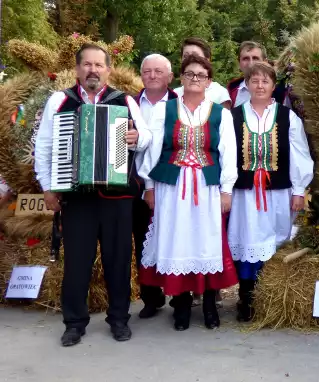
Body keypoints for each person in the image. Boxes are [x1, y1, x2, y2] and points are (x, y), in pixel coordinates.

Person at [34, 43, 152, 346]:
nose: (92, 70)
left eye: (99, 65)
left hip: (118, 197)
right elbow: (45, 146)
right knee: (77, 261)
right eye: (87, 64)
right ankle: (74, 322)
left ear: (108, 70)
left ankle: (118, 319)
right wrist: (48, 187)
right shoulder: (60, 101)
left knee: (118, 260)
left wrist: (137, 137)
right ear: (77, 69)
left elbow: (147, 136)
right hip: (77, 197)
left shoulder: (123, 100)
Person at [137, 54, 239, 331]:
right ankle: (180, 306)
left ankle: (208, 306)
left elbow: (228, 154)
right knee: (176, 241)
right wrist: (148, 186)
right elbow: (153, 149)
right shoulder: (165, 110)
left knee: (205, 243)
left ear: (209, 81)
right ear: (181, 78)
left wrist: (227, 190)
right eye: (190, 74)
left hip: (207, 188)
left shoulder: (221, 113)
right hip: (171, 187)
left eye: (201, 75)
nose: (195, 79)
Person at [227, 62, 313, 321]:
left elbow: (300, 154)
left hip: (277, 193)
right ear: (247, 85)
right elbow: (228, 156)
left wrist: (299, 190)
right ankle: (247, 298)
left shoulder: (288, 117)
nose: (260, 86)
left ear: (273, 87)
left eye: (265, 81)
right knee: (247, 240)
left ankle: (272, 298)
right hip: (245, 194)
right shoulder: (235, 116)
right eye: (255, 81)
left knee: (275, 240)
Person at [132, 54, 178, 319]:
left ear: (169, 77)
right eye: (147, 71)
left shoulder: (180, 104)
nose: (152, 75)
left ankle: (177, 296)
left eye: (158, 71)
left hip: (170, 181)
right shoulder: (128, 102)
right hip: (133, 181)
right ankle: (151, 297)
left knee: (172, 237)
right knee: (142, 239)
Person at [227, 41, 291, 108]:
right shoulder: (231, 91)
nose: (251, 63)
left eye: (255, 58)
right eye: (245, 58)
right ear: (239, 63)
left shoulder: (280, 93)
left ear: (265, 62)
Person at [174, 37, 231, 109]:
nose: (190, 59)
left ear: (207, 60)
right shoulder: (175, 94)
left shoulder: (220, 94)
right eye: (185, 56)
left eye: (195, 55)